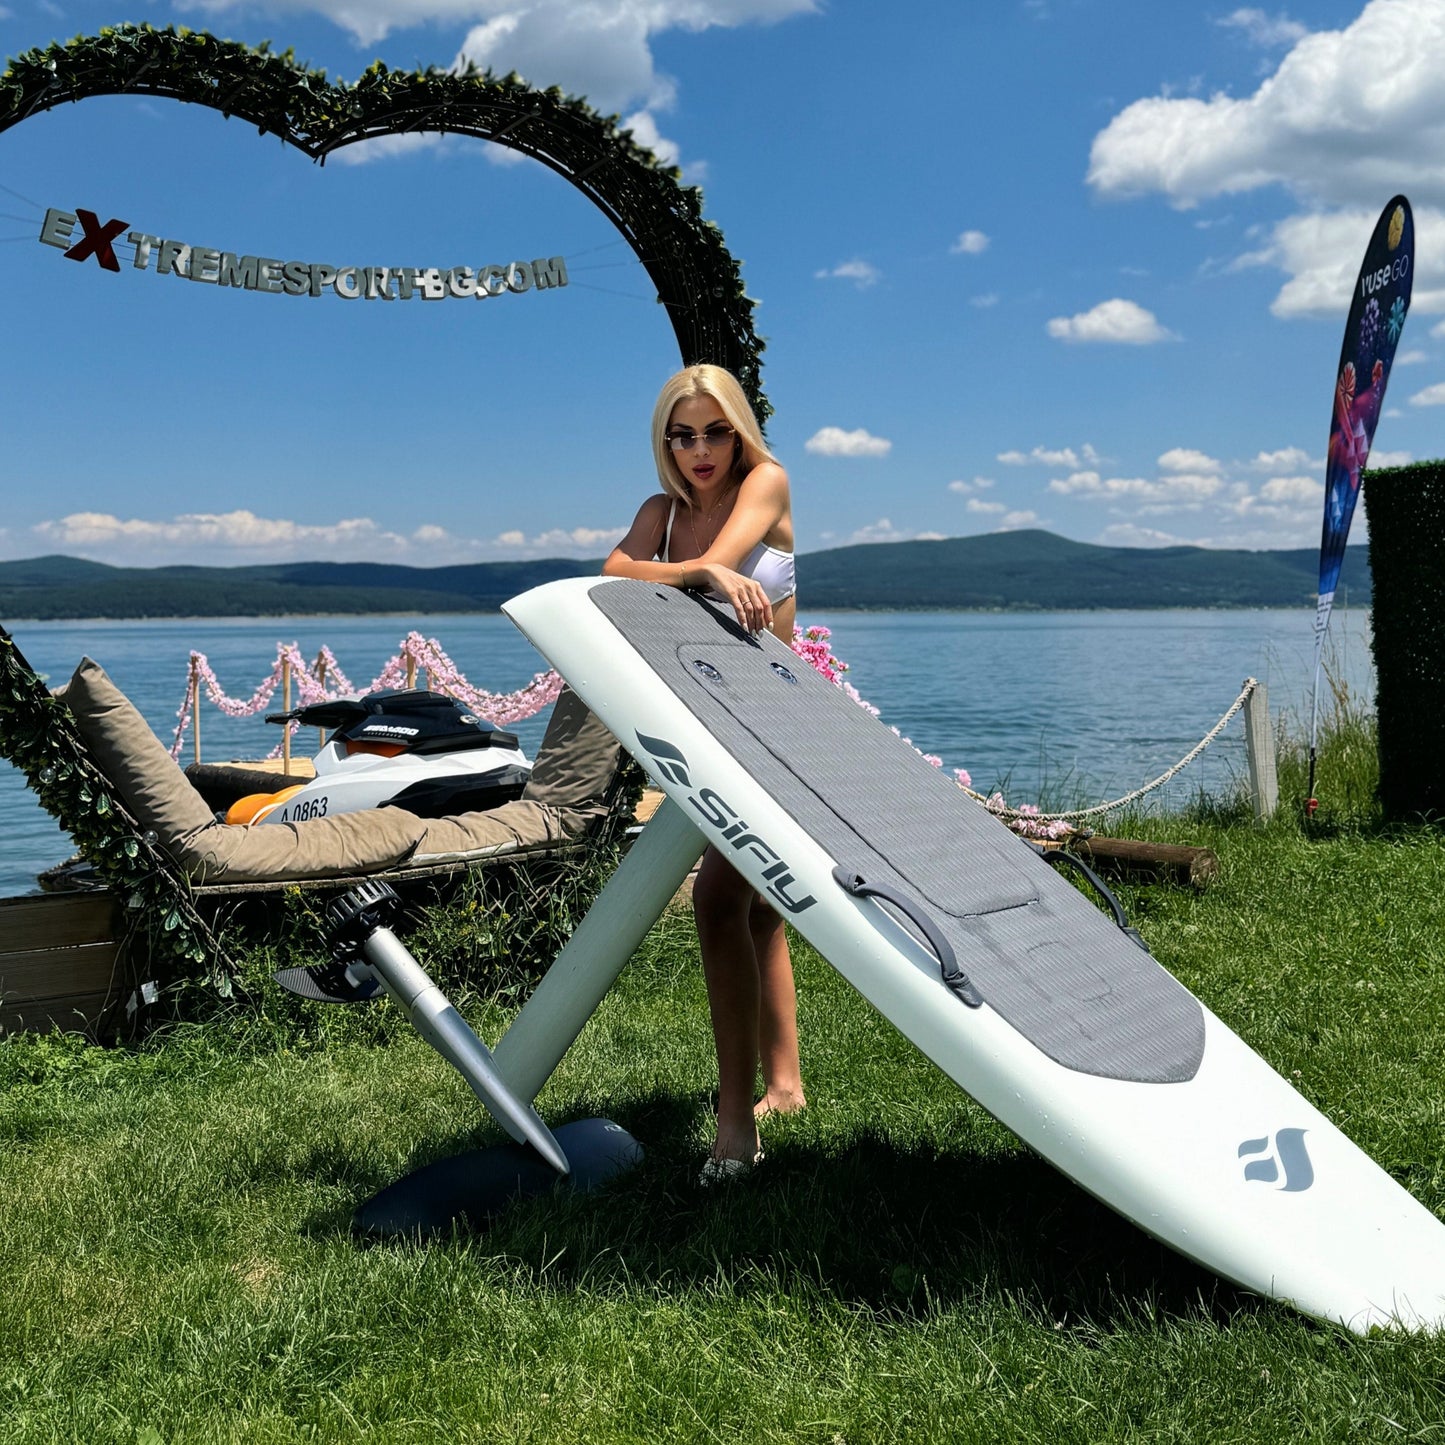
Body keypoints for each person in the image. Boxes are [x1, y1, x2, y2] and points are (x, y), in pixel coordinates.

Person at [603, 364, 805, 1181]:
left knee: (720, 897)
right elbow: (612, 572)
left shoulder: (766, 482)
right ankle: (784, 1085)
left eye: (715, 431)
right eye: (681, 435)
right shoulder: (660, 513)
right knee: (754, 908)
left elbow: (722, 560)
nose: (699, 450)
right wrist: (689, 571)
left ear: (739, 432)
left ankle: (734, 1123)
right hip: (708, 722)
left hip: (781, 719)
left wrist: (695, 568)